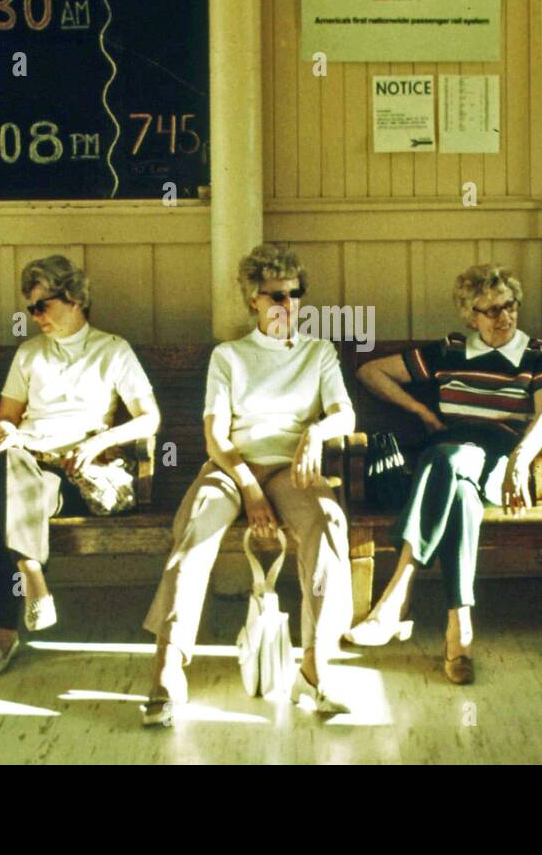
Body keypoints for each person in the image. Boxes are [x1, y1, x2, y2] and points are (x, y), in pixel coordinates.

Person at [141, 244, 356, 725]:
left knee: (328, 521)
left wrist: (316, 432)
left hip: (290, 468)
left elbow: (345, 412)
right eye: (274, 295)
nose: (286, 304)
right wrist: (249, 488)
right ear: (253, 300)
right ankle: (167, 669)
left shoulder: (319, 352)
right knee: (195, 530)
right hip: (233, 467)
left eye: (295, 294)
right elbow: (215, 436)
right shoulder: (230, 356)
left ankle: (316, 666)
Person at [346, 264, 542, 684]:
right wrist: (421, 412)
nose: (505, 317)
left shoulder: (535, 352)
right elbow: (370, 372)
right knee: (458, 491)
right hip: (451, 458)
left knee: (444, 460)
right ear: (471, 316)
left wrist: (520, 457)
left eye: (510, 306)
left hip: (501, 461)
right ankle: (458, 634)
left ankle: (398, 591)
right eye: (491, 310)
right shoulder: (451, 349)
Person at [0, 255, 160, 679]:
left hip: (76, 467)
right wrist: (9, 433)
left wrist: (103, 440)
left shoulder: (113, 350)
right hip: (29, 463)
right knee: (8, 459)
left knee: (2, 505)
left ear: (74, 299)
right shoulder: (30, 354)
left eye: (42, 306)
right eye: (30, 309)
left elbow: (150, 417)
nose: (35, 317)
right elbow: (4, 417)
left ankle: (1, 635)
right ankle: (32, 573)